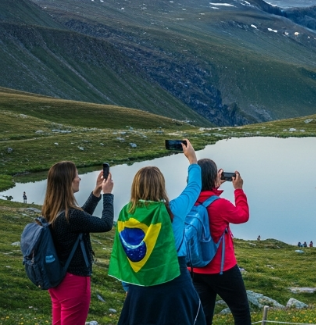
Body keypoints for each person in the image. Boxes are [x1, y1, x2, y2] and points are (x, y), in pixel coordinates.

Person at [111, 139, 205, 325]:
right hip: (175, 286)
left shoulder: (126, 213)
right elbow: (194, 187)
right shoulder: (173, 211)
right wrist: (192, 160)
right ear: (161, 186)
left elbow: (125, 252)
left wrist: (128, 286)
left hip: (139, 285)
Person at [42, 162, 114, 325]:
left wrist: (96, 192)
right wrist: (108, 195)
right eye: (76, 175)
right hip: (74, 282)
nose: (79, 178)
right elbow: (106, 224)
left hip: (57, 280)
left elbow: (80, 219)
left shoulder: (52, 210)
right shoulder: (71, 216)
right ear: (68, 181)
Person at [191, 159, 251, 325]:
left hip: (194, 269)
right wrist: (238, 190)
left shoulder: (186, 201)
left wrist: (212, 188)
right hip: (222, 269)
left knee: (202, 316)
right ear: (212, 177)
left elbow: (202, 199)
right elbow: (242, 215)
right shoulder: (220, 205)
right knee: (241, 312)